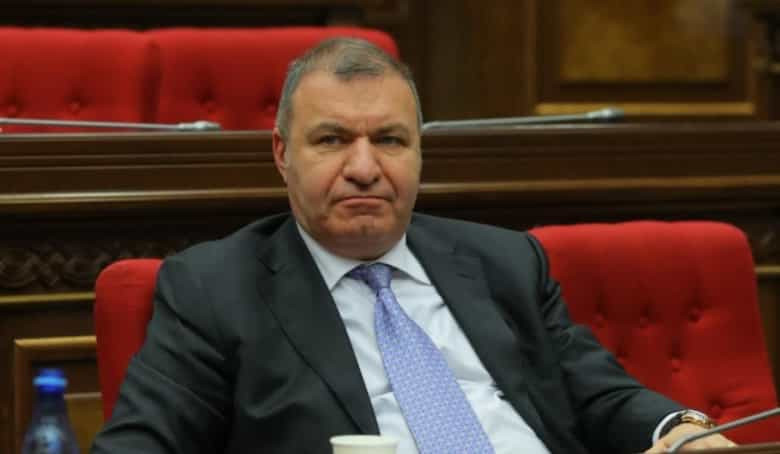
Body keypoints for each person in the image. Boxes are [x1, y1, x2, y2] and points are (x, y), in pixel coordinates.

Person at [92, 38, 737, 454]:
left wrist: (680, 430)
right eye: (332, 140)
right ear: (283, 155)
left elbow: (599, 393)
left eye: (390, 141)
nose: (365, 168)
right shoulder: (215, 288)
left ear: (421, 153)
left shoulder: (504, 262)